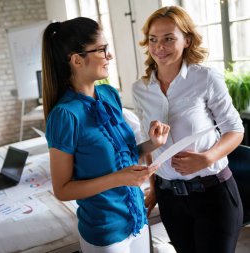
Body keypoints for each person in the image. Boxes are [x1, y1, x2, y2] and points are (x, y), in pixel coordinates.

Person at [42, 17, 170, 253]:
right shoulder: (65, 115)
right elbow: (62, 189)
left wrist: (152, 144)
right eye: (102, 49)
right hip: (106, 233)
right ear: (77, 60)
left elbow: (124, 156)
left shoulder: (109, 94)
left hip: (138, 219)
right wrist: (119, 178)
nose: (109, 55)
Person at [132, 6, 244, 253]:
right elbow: (147, 146)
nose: (159, 46)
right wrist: (153, 188)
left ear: (187, 40)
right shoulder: (140, 89)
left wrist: (207, 158)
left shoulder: (205, 78)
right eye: (153, 39)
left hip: (212, 194)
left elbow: (235, 130)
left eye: (169, 38)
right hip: (170, 199)